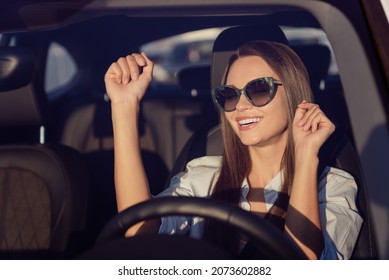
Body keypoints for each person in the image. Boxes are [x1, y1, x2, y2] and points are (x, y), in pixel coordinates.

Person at [104, 40, 362, 260]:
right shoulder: (203, 176)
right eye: (229, 94)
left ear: (293, 93)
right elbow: (139, 232)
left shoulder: (332, 188)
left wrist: (306, 156)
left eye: (259, 89)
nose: (240, 105)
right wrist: (124, 106)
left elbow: (304, 265)